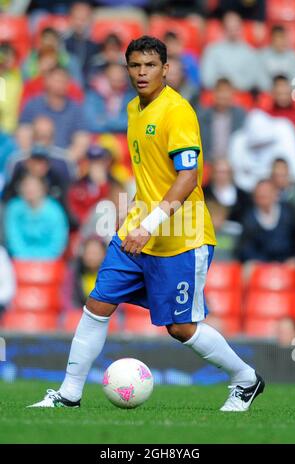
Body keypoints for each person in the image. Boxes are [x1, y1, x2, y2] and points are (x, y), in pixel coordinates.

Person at [29, 36, 264, 411]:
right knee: (97, 304)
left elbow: (188, 177)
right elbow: (151, 175)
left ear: (166, 69)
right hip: (136, 233)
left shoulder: (178, 112)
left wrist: (150, 222)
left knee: (180, 328)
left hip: (180, 238)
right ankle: (69, 394)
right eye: (135, 65)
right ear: (127, 69)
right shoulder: (133, 109)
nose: (142, 72)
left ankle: (245, 378)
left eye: (150, 65)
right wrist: (134, 214)